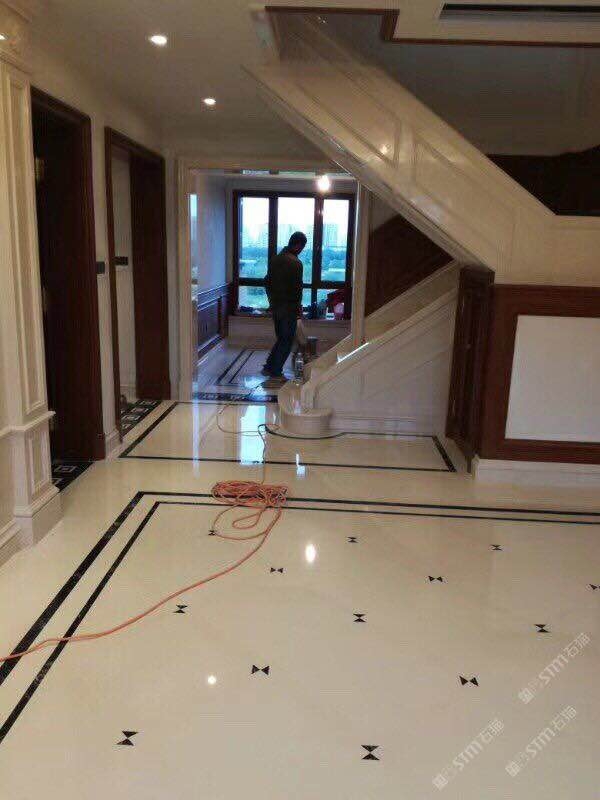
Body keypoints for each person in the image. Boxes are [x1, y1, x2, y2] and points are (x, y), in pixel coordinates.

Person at [262, 231, 306, 379]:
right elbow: (297, 289)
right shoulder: (296, 263)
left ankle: (269, 366)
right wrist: (299, 308)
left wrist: (271, 302)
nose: (301, 250)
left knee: (281, 338)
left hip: (276, 306)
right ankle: (275, 370)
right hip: (289, 308)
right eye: (302, 247)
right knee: (287, 341)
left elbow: (266, 282)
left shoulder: (275, 259)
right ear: (299, 245)